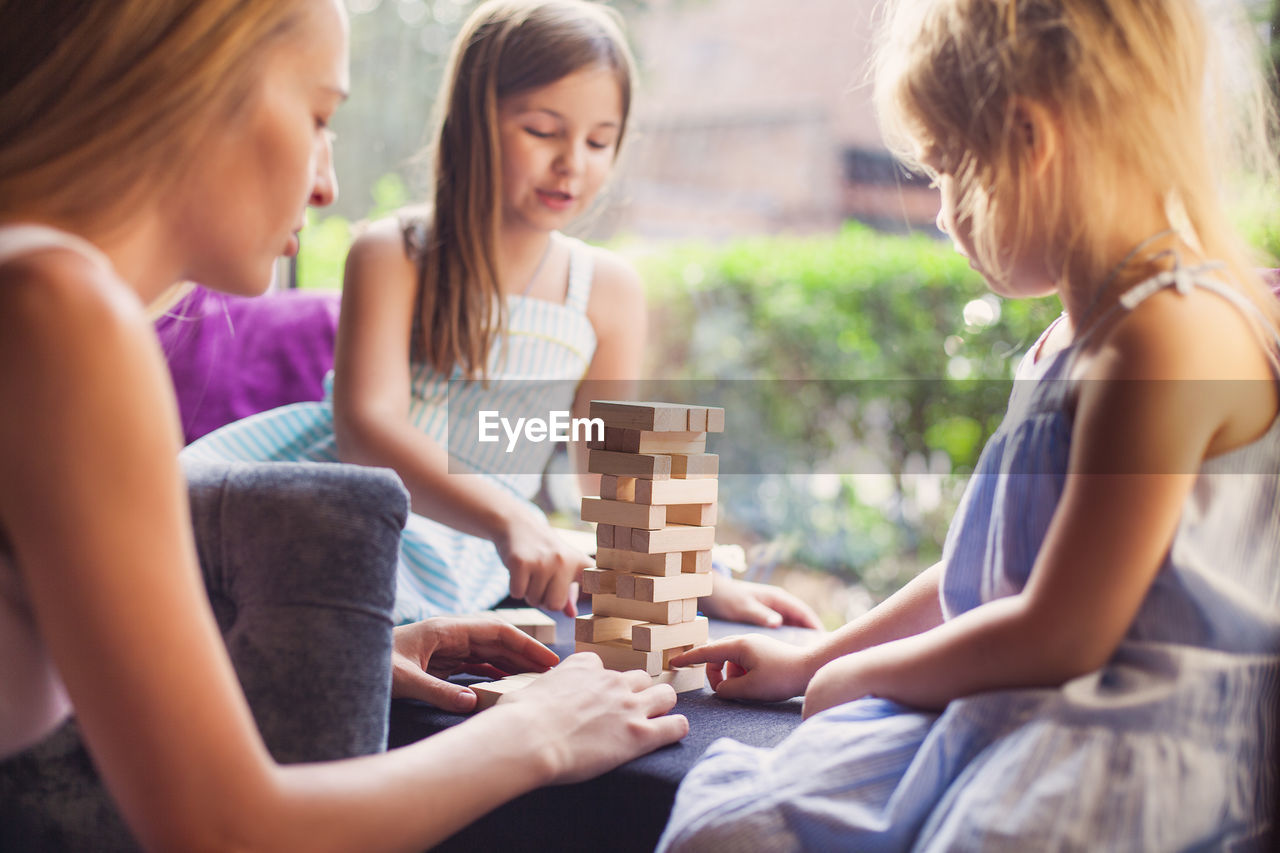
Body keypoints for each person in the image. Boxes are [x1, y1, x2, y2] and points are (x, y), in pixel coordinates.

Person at [0, 1, 688, 849]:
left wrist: (681, 570)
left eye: (599, 140)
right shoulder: (55, 311)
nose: (326, 184)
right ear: (191, 89)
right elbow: (223, 828)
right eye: (320, 116)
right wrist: (538, 731)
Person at [658, 0, 1280, 848]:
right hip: (1024, 711)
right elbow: (985, 572)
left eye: (949, 167)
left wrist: (857, 674)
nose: (942, 212)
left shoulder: (1167, 337)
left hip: (1116, 760)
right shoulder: (1080, 334)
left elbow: (1060, 629)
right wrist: (818, 654)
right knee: (731, 827)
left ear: (1031, 139)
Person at [184, 0, 822, 630]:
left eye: (600, 141)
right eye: (543, 130)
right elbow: (366, 431)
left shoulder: (607, 289)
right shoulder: (394, 252)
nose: (573, 161)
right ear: (474, 122)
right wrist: (511, 517)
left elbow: (609, 472)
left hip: (480, 551)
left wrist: (699, 581)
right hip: (354, 508)